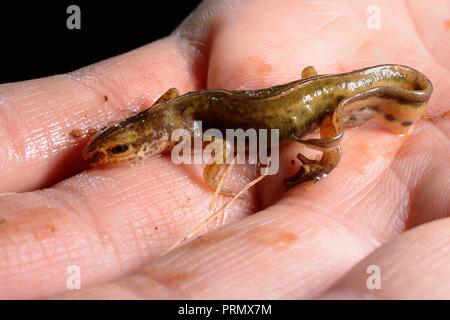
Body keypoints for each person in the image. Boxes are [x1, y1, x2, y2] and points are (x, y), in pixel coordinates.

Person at [0, 0, 448, 299]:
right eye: (113, 147)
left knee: (328, 129)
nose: (105, 157)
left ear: (149, 139)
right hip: (311, 90)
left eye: (116, 149)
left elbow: (211, 149)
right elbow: (176, 99)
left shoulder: (179, 123)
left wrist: (215, 178)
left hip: (312, 104)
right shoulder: (174, 113)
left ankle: (326, 157)